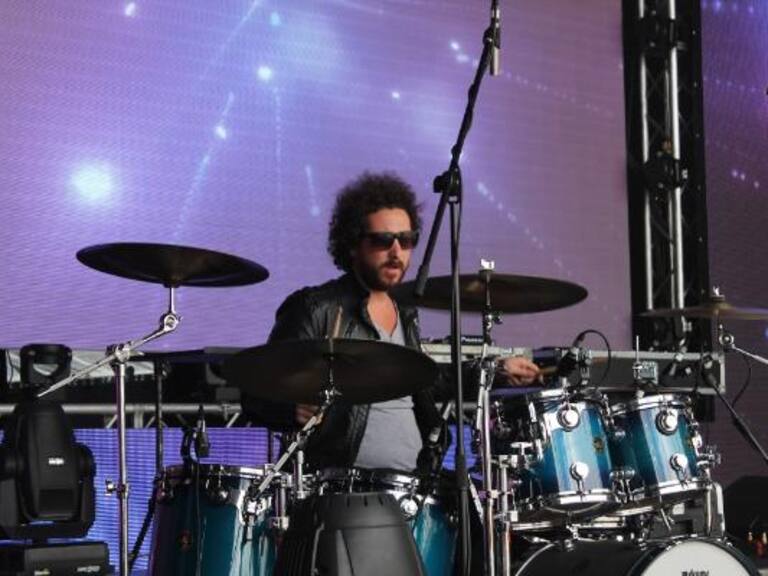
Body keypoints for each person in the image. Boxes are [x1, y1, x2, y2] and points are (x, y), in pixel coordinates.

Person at [244, 171, 540, 472]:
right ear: (352, 244)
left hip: (415, 484)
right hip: (341, 485)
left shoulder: (405, 310)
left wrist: (495, 370)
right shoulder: (316, 308)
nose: (397, 252)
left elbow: (426, 381)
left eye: (407, 240)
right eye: (383, 240)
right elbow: (255, 392)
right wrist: (289, 410)